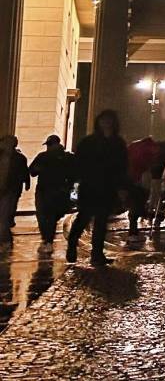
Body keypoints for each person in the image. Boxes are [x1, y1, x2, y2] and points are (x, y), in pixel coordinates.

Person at [67, 110, 128, 266]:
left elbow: (122, 167)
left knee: (101, 221)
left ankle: (97, 254)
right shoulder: (88, 142)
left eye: (109, 120)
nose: (106, 123)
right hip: (90, 185)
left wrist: (122, 187)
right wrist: (77, 181)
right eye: (104, 120)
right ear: (98, 122)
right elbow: (78, 163)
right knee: (84, 217)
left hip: (108, 187)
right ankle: (72, 244)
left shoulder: (119, 143)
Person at [28, 135, 76, 244]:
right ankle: (47, 238)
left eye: (49, 145)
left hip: (49, 190)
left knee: (46, 215)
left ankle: (47, 238)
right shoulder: (65, 157)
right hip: (52, 190)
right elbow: (32, 171)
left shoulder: (47, 157)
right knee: (49, 215)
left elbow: (32, 171)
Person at [0, 135, 30, 245]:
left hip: (11, 189)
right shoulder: (19, 158)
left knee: (7, 211)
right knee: (6, 211)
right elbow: (25, 172)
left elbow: (24, 172)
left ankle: (4, 235)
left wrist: (27, 183)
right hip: (10, 189)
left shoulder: (20, 158)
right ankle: (4, 234)